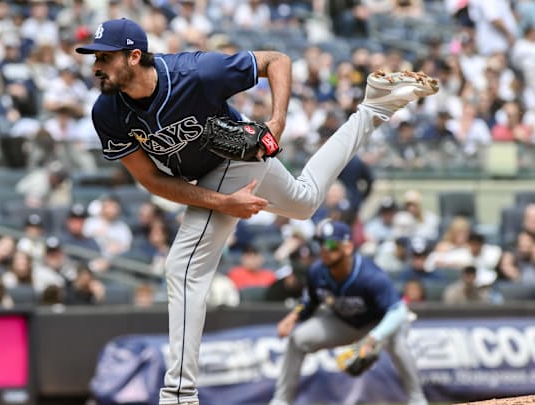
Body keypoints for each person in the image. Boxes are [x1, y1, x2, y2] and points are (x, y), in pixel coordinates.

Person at [76, 17, 438, 405]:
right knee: (305, 201)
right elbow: (150, 180)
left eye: (105, 56)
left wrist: (277, 121)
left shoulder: (195, 71)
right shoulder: (108, 113)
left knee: (183, 267)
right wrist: (223, 204)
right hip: (221, 173)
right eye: (94, 56)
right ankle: (374, 106)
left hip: (236, 157)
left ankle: (178, 395)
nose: (96, 65)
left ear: (134, 56)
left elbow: (276, 60)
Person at [270, 221, 427, 405]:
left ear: (348, 246)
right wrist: (293, 316)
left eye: (331, 244)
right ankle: (281, 401)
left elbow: (399, 311)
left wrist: (372, 339)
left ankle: (417, 399)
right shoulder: (317, 272)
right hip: (342, 321)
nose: (324, 249)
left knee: (397, 342)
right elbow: (310, 302)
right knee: (297, 340)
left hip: (377, 324)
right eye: (321, 243)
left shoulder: (370, 275)